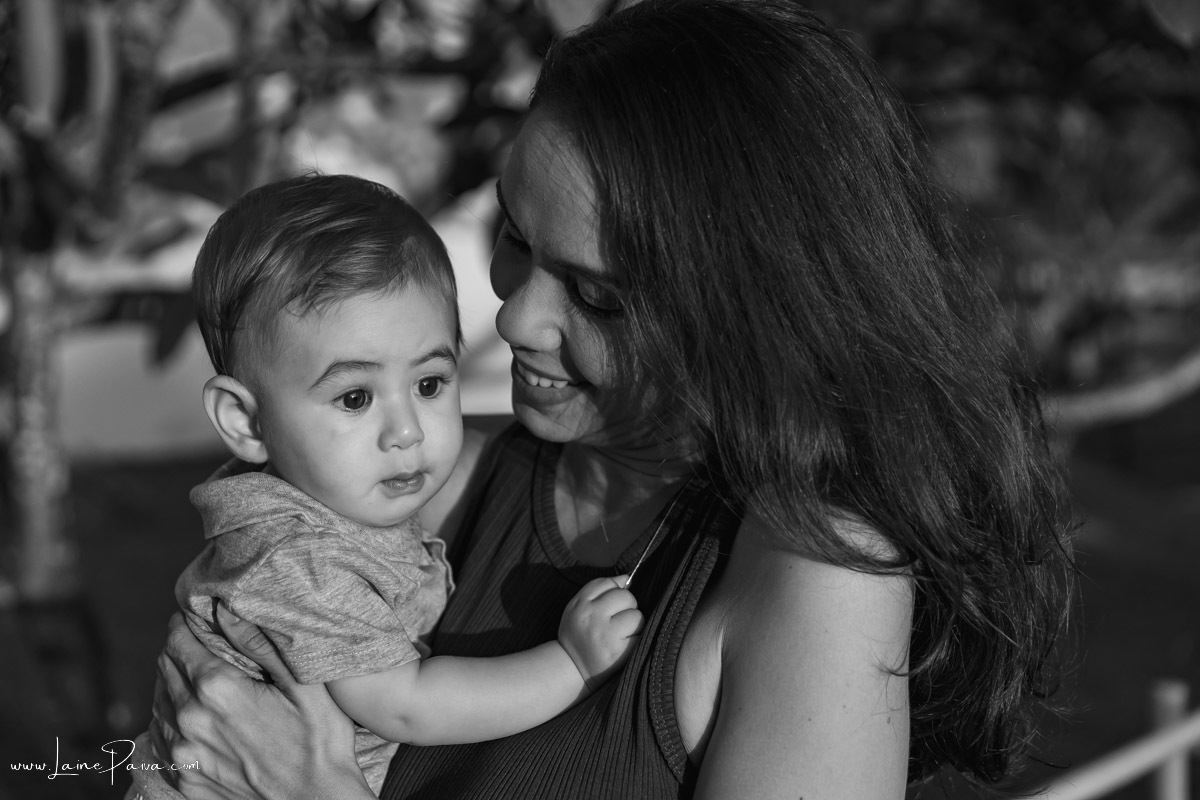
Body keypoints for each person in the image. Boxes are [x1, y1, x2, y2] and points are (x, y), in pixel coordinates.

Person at [149, 1, 1076, 798]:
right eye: (513, 235)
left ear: (757, 308)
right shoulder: (420, 484)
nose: (515, 318)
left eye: (597, 296)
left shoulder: (816, 580)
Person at [127, 174, 643, 799]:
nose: (405, 432)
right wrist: (570, 665)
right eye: (354, 397)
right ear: (247, 421)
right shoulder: (301, 561)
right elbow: (408, 706)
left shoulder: (333, 506)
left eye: (429, 385)